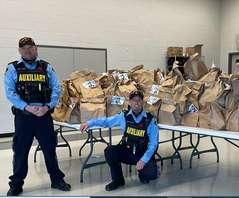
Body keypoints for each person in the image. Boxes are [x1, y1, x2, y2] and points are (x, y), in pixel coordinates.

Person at [4, 37, 71, 196]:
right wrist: (27, 107)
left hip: (44, 116)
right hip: (24, 117)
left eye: (30, 47)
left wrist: (48, 107)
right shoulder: (13, 68)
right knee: (20, 151)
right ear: (20, 51)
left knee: (49, 149)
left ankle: (56, 180)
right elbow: (10, 93)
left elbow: (56, 89)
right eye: (24, 48)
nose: (27, 50)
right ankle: (16, 184)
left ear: (36, 48)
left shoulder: (46, 67)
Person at [80, 90, 159, 191]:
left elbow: (153, 144)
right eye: (134, 100)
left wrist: (143, 160)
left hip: (142, 154)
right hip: (128, 151)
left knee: (151, 174)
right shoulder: (124, 116)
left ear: (143, 102)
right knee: (110, 151)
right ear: (129, 102)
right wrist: (89, 123)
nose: (136, 103)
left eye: (139, 100)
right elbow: (106, 122)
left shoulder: (149, 119)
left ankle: (143, 174)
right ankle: (118, 180)